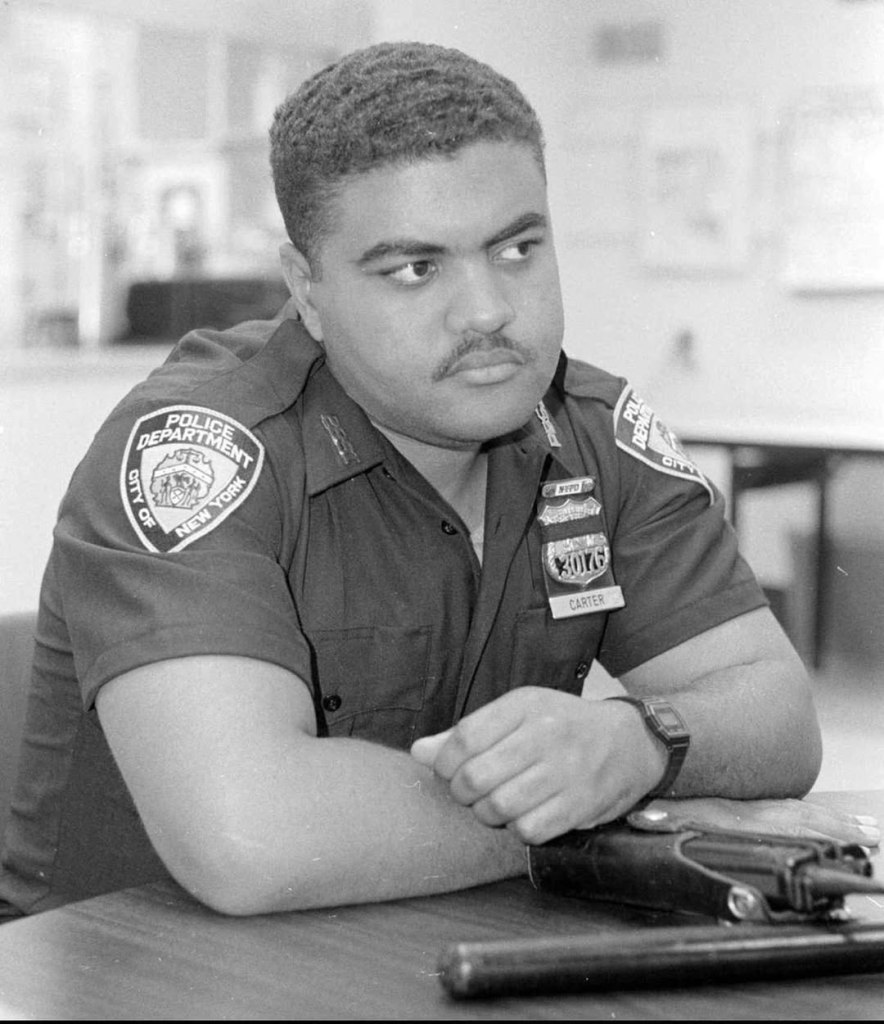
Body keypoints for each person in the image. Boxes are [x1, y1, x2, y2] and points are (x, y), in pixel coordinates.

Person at [0, 41, 877, 921]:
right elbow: (251, 841)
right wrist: (586, 811)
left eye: (517, 248)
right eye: (415, 269)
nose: (488, 310)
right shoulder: (198, 454)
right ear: (306, 291)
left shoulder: (594, 432)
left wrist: (640, 741)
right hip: (120, 977)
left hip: (417, 939)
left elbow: (776, 712)